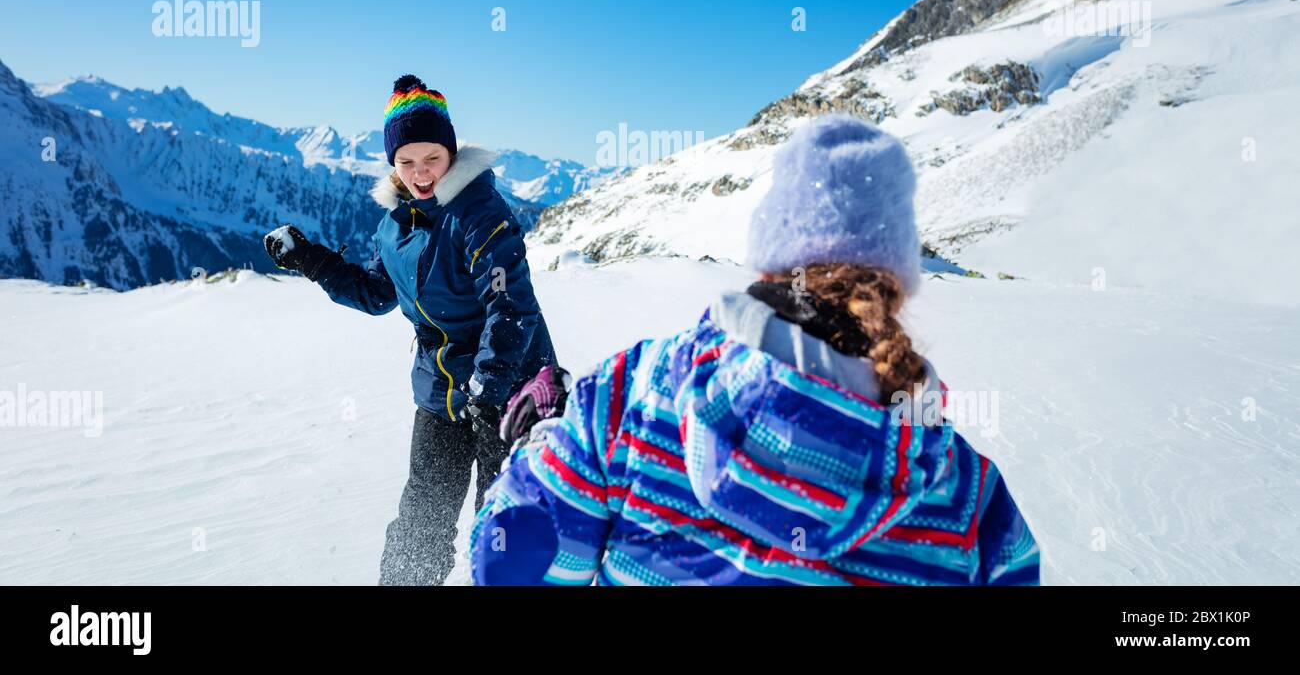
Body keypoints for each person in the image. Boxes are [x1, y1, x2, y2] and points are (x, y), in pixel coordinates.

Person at [469, 114, 1039, 585]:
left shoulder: (629, 398)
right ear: (897, 285)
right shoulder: (969, 499)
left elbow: (511, 569)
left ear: (770, 259)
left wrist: (541, 440)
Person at [263, 74, 556, 585]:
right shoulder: (396, 225)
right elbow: (378, 292)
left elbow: (511, 306)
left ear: (451, 153)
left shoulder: (479, 213)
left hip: (508, 389)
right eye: (407, 162)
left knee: (506, 524)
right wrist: (311, 260)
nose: (421, 174)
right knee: (421, 522)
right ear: (393, 165)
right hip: (440, 390)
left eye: (432, 159)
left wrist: (488, 390)